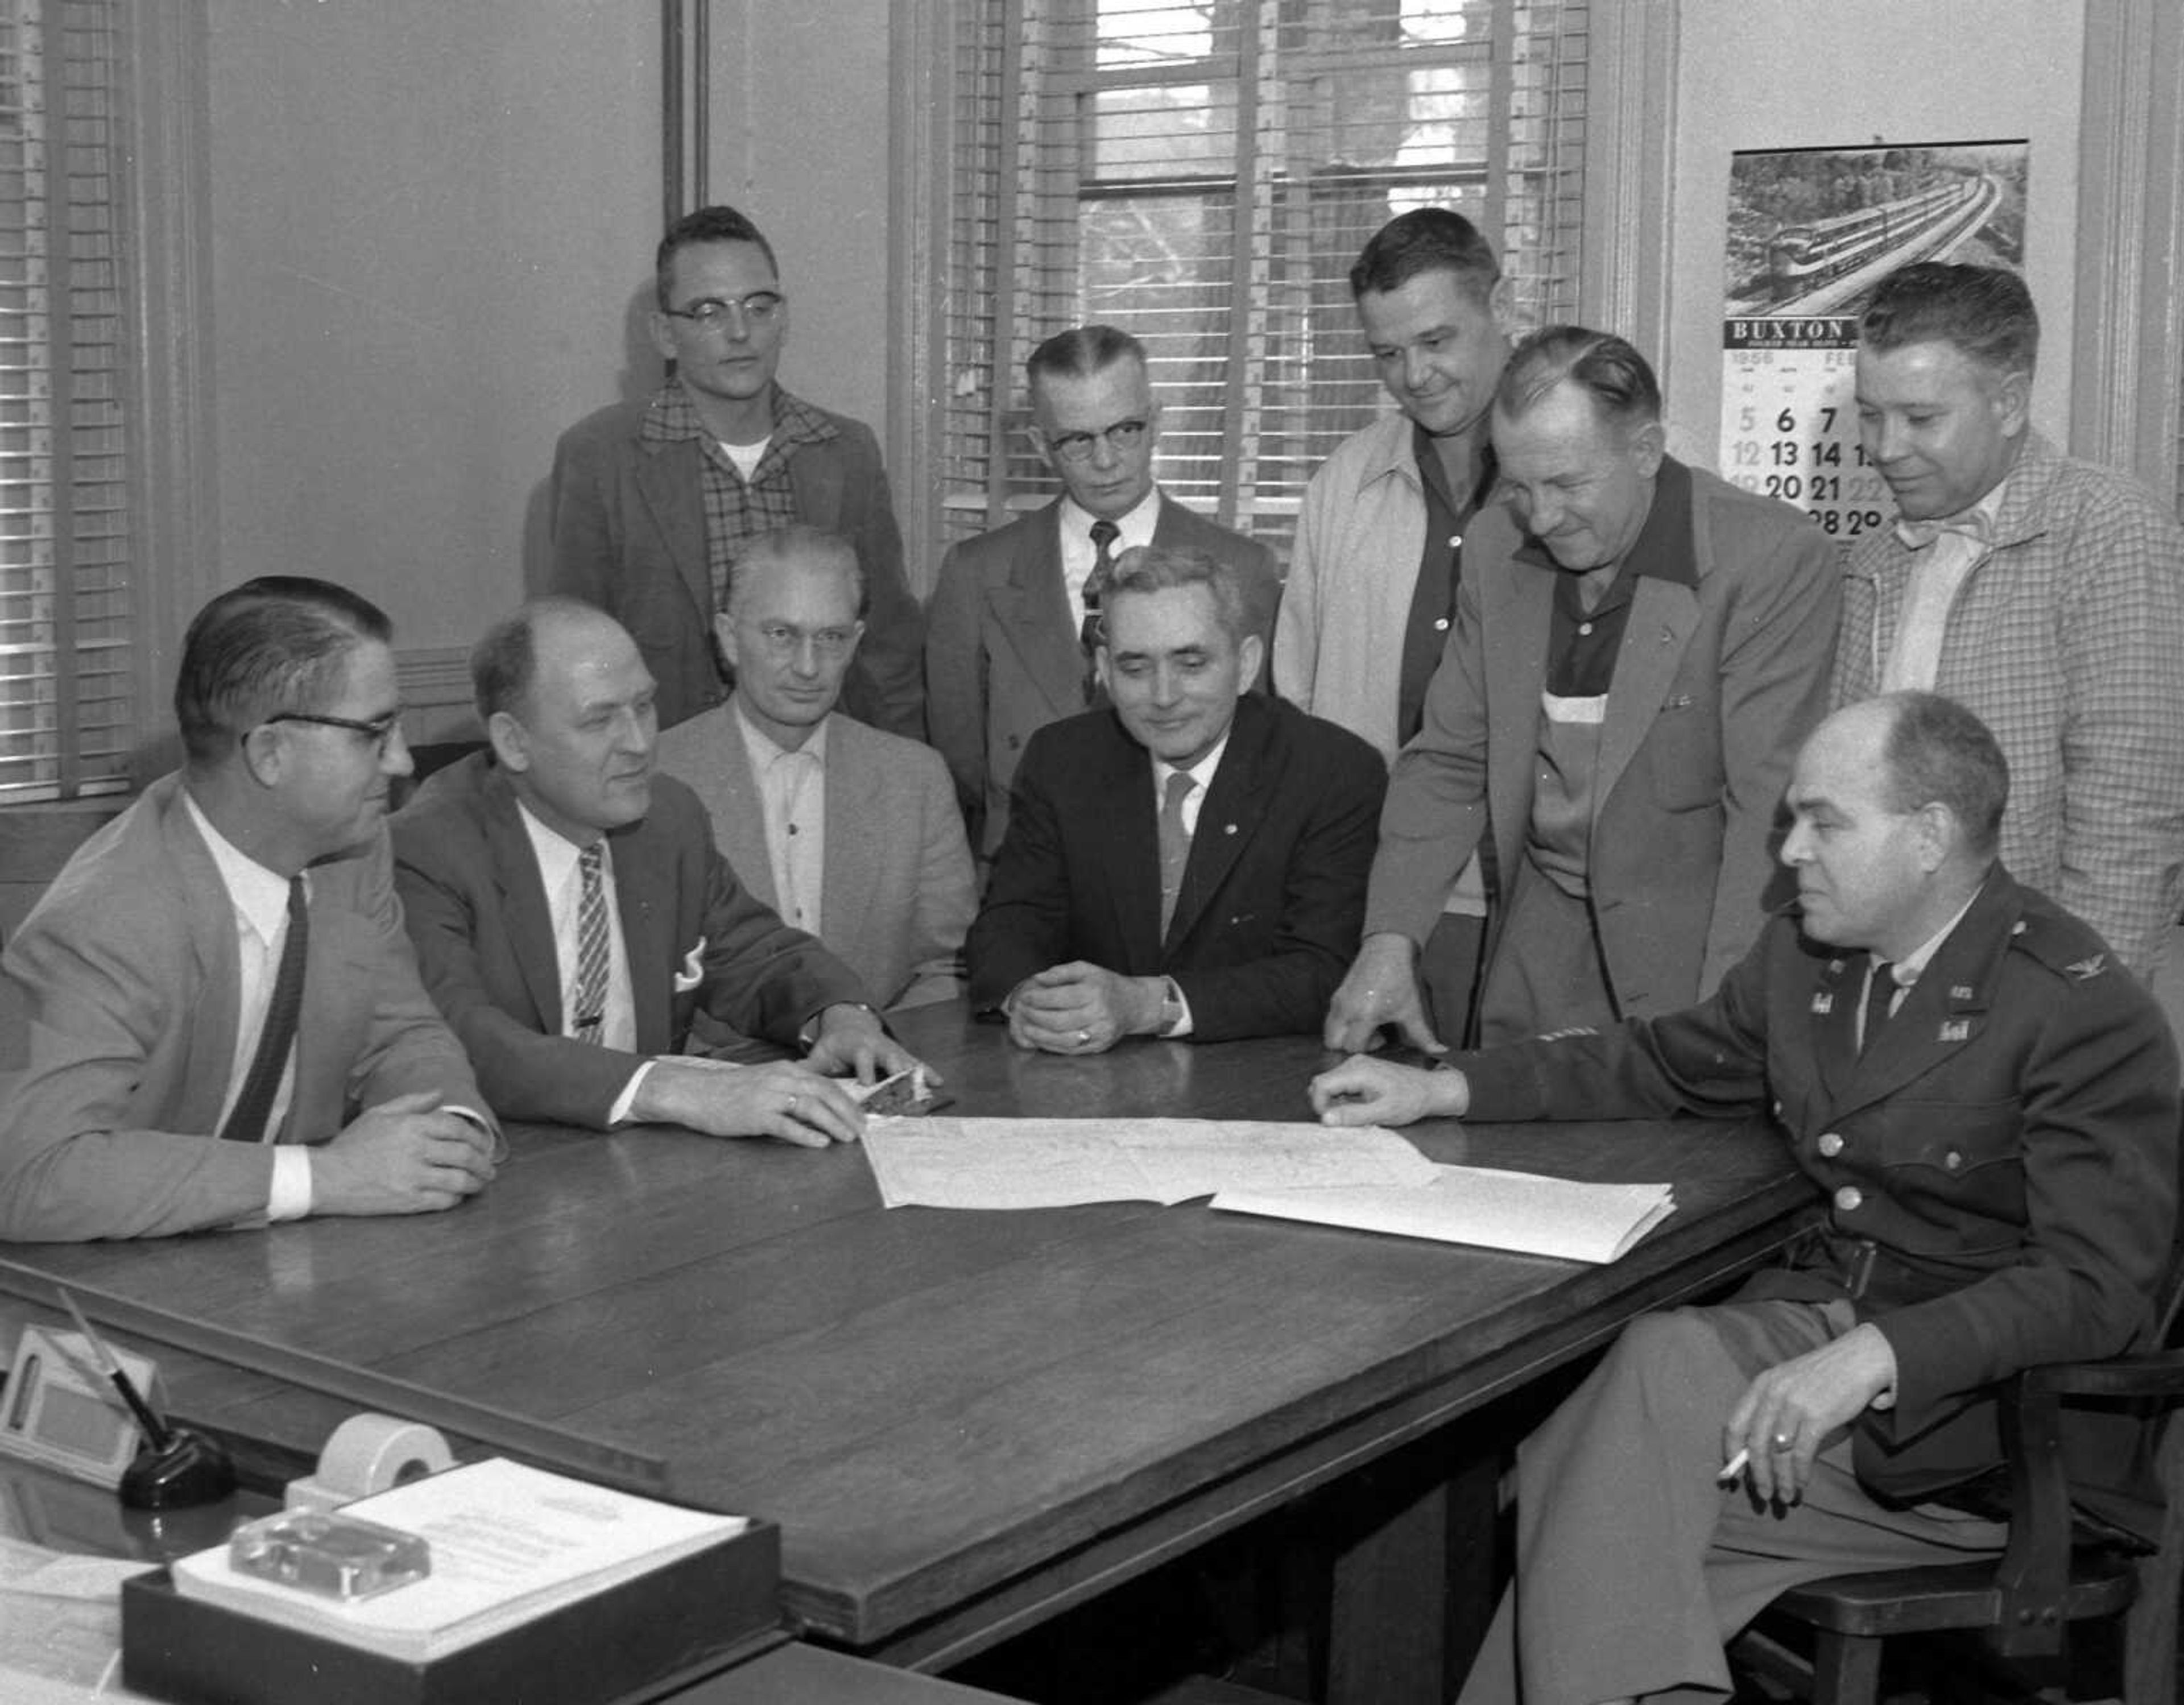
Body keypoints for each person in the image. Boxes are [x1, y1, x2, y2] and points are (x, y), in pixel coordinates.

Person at [1311, 693, 2181, 1704]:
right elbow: (1664, 1061)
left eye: (1826, 821)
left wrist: (1879, 1353)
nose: (1792, 852)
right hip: (1817, 1335)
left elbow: (2098, 1287)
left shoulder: (2076, 1005)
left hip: (1973, 1427)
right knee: (1633, 1412)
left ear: (1931, 836)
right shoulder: (1810, 952)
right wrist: (1444, 1084)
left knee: (1585, 1475)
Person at [1326, 326, 1839, 1054]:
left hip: (1693, 974)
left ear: (1646, 451)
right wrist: (1388, 941)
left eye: (1568, 484)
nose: (1541, 518)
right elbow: (1447, 760)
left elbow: (1768, 818)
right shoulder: (1495, 547)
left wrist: (1728, 1030)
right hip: (1533, 966)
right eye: (1520, 485)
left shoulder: (1771, 561)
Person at [0, 578, 499, 1241]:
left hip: (282, 1270)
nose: (403, 760)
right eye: (374, 734)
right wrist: (327, 1178)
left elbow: (401, 1033)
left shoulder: (355, 848)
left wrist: (451, 1133)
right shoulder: (103, 920)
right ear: (269, 753)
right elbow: (34, 1176)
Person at [391, 599, 932, 1146]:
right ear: (513, 742)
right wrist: (674, 1089)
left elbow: (753, 952)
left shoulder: (667, 816)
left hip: (643, 1166)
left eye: (645, 706)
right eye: (599, 720)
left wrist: (838, 1015)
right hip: (506, 1163)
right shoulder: (430, 846)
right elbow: (463, 1037)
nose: (638, 743)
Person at [1835, 260, 2184, 975]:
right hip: (1894, 980)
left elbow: (2130, 815)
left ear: (2010, 404)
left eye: (1922, 418)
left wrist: (2078, 1011)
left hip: (2032, 989)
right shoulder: (1874, 555)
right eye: (1871, 414)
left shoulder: (2109, 529)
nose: (1885, 447)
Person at [967, 545, 1383, 1052]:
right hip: (1091, 1083)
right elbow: (1011, 923)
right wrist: (1031, 1000)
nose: (1164, 696)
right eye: (1136, 668)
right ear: (1104, 669)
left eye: (1190, 663)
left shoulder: (1333, 770)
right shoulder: (1062, 759)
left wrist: (1147, 1005)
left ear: (1246, 663)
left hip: (1263, 1078)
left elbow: (1324, 970)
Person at [1270, 208, 1515, 1034]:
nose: (1413, 375)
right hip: (1377, 901)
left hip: (1530, 900)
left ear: (1502, 307)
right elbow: (1299, 696)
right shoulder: (1346, 479)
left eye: (1437, 340)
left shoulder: (1581, 470)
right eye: (1386, 353)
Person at [548, 204, 924, 738]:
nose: (741, 331)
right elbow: (573, 652)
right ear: (664, 334)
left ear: (785, 318)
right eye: (708, 311)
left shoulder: (846, 451)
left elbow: (890, 647)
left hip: (819, 766)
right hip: (664, 774)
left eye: (760, 306)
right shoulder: (601, 455)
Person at [925, 324, 1281, 859]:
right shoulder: (976, 573)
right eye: (1077, 440)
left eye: (1126, 431)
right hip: (1028, 868)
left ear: (1156, 423)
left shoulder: (1240, 567)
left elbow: (1252, 753)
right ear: (1040, 448)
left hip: (1183, 868)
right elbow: (962, 758)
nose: (1107, 461)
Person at [656, 525, 975, 1010]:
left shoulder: (915, 779)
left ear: (855, 642)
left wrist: (875, 1062)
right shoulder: (658, 777)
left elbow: (946, 968)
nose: (808, 666)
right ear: (729, 638)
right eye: (782, 635)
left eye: (830, 637)